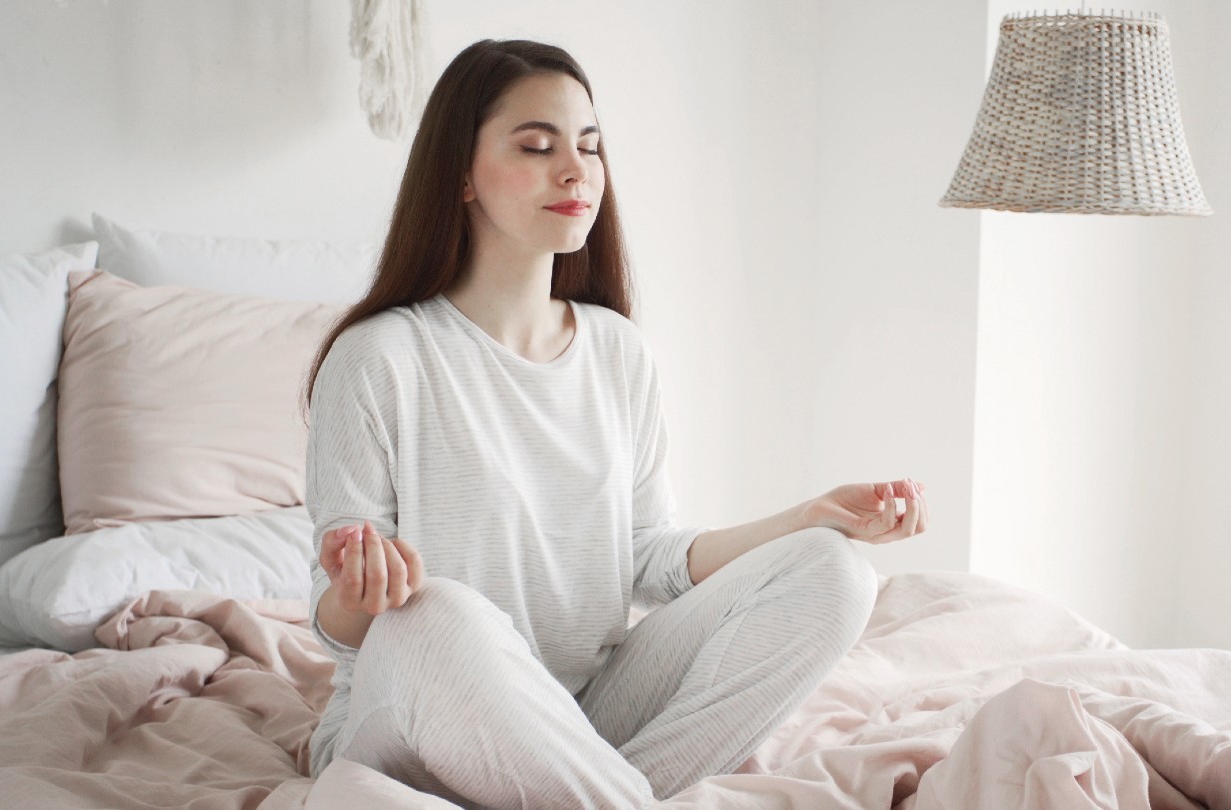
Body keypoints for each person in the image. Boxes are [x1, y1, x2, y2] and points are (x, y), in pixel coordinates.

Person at [299, 38, 929, 810]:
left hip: (584, 718)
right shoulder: (378, 358)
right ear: (460, 174)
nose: (576, 171)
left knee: (835, 570)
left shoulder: (618, 351)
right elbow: (339, 630)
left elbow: (647, 559)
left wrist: (809, 518)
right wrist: (358, 594)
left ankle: (598, 795)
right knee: (437, 615)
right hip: (417, 712)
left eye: (590, 147)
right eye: (537, 146)